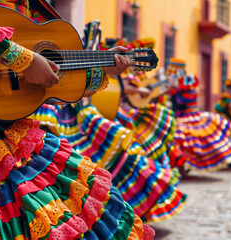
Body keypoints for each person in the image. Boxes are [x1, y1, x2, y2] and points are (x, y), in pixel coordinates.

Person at [0, 1, 154, 239]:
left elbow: (57, 75)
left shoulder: (35, 7)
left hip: (10, 132)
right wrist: (25, 60)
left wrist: (104, 67)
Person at [32, 38, 186, 223]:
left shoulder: (65, 44)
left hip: (67, 107)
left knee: (113, 160)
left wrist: (103, 68)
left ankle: (121, 209)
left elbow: (79, 89)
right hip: (45, 116)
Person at [164, 58, 231, 172]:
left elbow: (184, 100)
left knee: (190, 143)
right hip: (178, 116)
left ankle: (183, 166)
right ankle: (179, 165)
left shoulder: (187, 82)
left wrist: (174, 88)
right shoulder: (172, 82)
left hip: (188, 116)